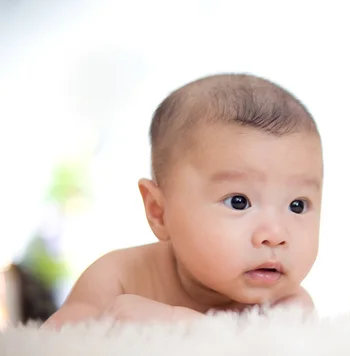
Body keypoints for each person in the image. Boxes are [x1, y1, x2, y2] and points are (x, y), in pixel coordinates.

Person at [44, 73, 323, 328]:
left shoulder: (287, 307)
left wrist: (183, 324)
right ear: (159, 211)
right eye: (239, 201)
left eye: (297, 205)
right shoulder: (118, 277)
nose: (275, 235)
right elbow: (51, 348)